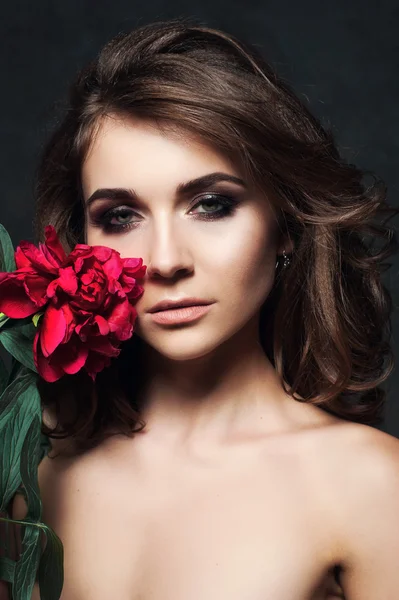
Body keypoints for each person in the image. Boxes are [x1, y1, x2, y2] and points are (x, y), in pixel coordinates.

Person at [4, 16, 399, 600]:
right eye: (121, 217)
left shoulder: (371, 485)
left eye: (211, 205)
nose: (165, 260)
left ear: (285, 223)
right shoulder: (34, 475)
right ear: (81, 243)